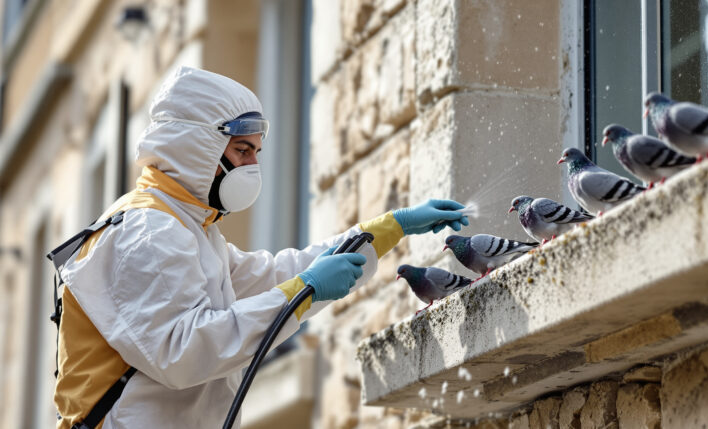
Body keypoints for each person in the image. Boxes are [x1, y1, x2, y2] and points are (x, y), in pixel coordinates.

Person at [53, 66, 469, 428]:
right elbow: (183, 350)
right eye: (242, 150)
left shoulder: (189, 230)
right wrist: (304, 290)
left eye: (256, 151)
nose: (252, 165)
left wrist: (388, 229)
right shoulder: (147, 231)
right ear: (198, 146)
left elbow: (271, 276)